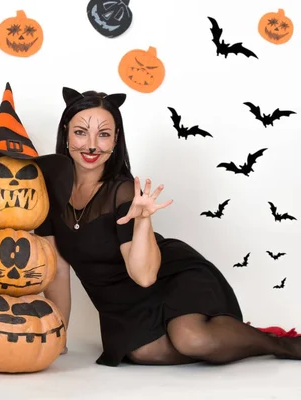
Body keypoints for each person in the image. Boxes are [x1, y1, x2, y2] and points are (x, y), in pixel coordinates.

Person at [34, 86, 301, 366]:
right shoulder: (50, 194)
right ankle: (235, 338)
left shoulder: (123, 192)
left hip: (171, 276)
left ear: (115, 140)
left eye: (103, 134)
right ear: (65, 133)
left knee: (192, 339)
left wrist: (143, 220)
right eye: (80, 132)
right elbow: (58, 273)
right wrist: (58, 335)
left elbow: (145, 277)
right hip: (120, 304)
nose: (91, 145)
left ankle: (281, 344)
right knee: (142, 353)